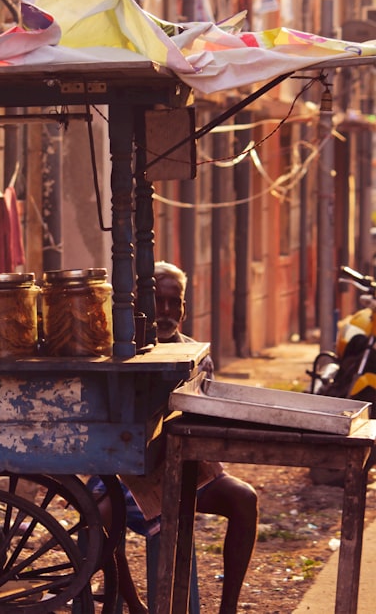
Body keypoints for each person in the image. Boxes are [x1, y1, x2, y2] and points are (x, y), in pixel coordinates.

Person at [107, 261, 259, 614]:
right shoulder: (121, 352)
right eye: (158, 300)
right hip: (127, 472)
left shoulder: (197, 356)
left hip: (185, 469)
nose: (166, 311)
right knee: (97, 515)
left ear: (184, 309)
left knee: (244, 498)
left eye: (174, 303)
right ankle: (132, 602)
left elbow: (202, 422)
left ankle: (228, 608)